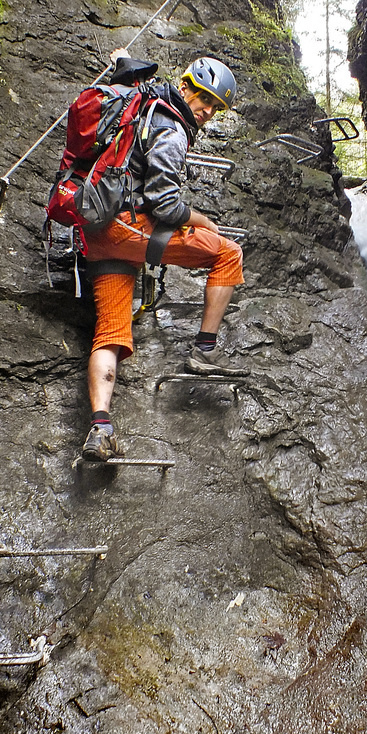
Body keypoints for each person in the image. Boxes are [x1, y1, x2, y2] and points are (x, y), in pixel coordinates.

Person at [81, 49, 248, 462]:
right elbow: (164, 204)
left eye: (215, 106)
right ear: (186, 86)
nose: (207, 111)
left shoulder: (142, 107)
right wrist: (203, 220)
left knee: (111, 334)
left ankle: (100, 430)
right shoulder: (172, 127)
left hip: (97, 232)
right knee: (228, 253)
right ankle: (205, 349)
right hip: (130, 228)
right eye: (204, 98)